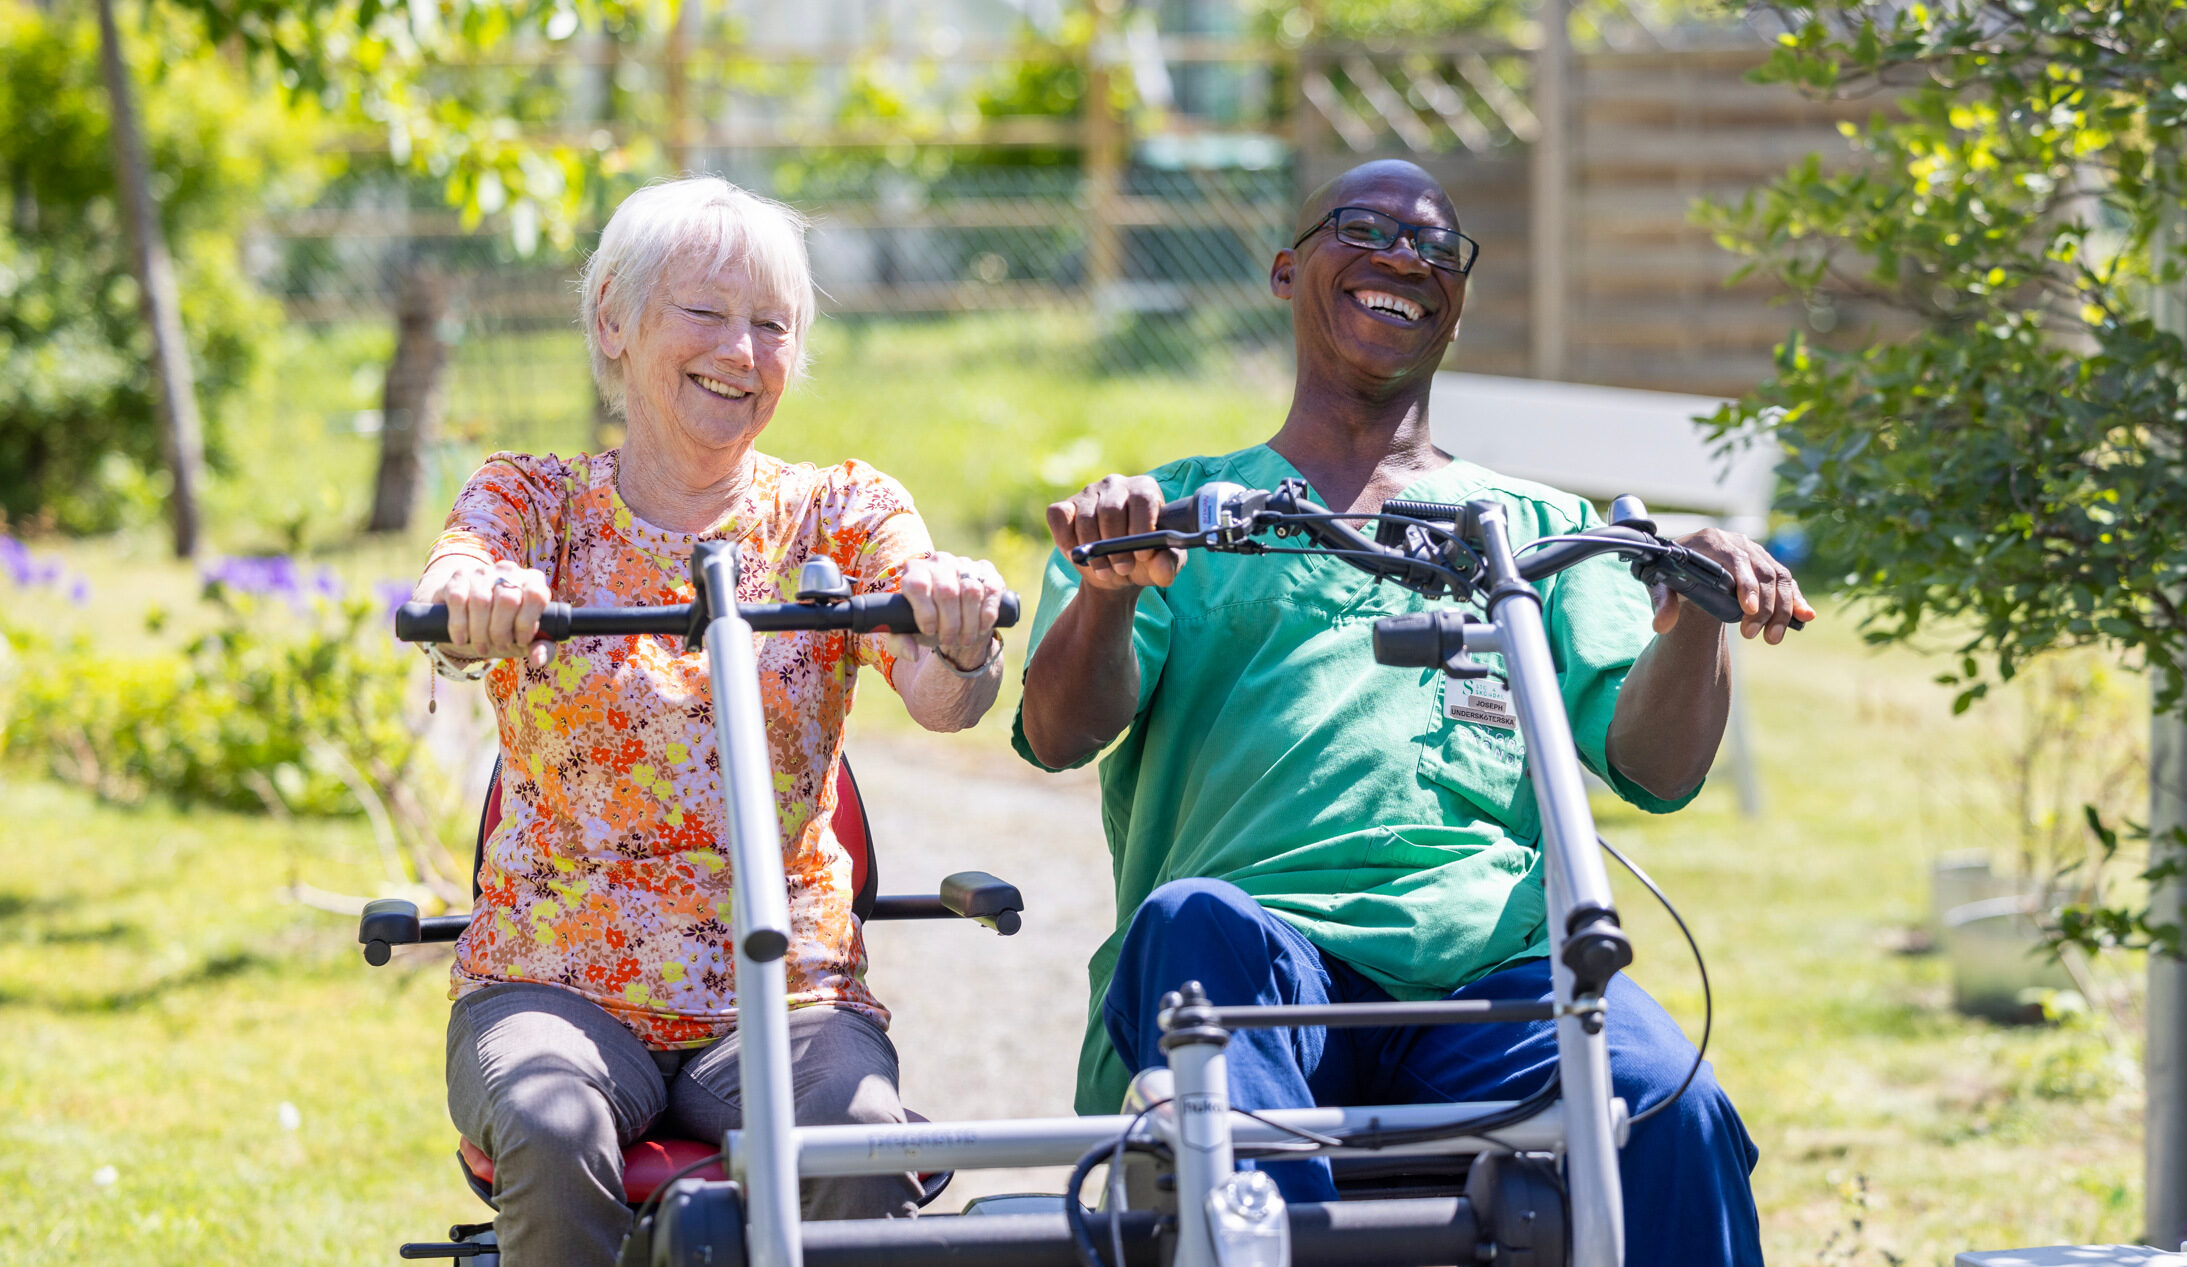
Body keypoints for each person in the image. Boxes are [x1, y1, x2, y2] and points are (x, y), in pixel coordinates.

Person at [1012, 159, 1810, 1267]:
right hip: (1262, 963)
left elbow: (1659, 769)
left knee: (1674, 1103)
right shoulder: (1178, 515)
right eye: (1364, 228)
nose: (1404, 256)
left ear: (1458, 305)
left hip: (1491, 983)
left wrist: (1696, 620)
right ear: (1285, 272)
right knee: (1191, 920)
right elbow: (1058, 733)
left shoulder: (1535, 532)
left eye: (1437, 247)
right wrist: (1108, 590)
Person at [412, 177, 1010, 1267]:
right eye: (704, 311)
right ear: (613, 318)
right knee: (551, 1121)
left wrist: (960, 631)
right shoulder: (535, 501)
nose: (740, 351)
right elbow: (459, 586)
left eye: (772, 325)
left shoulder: (838, 511)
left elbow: (942, 694)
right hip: (555, 982)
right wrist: (475, 602)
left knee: (855, 1139)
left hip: (789, 993)